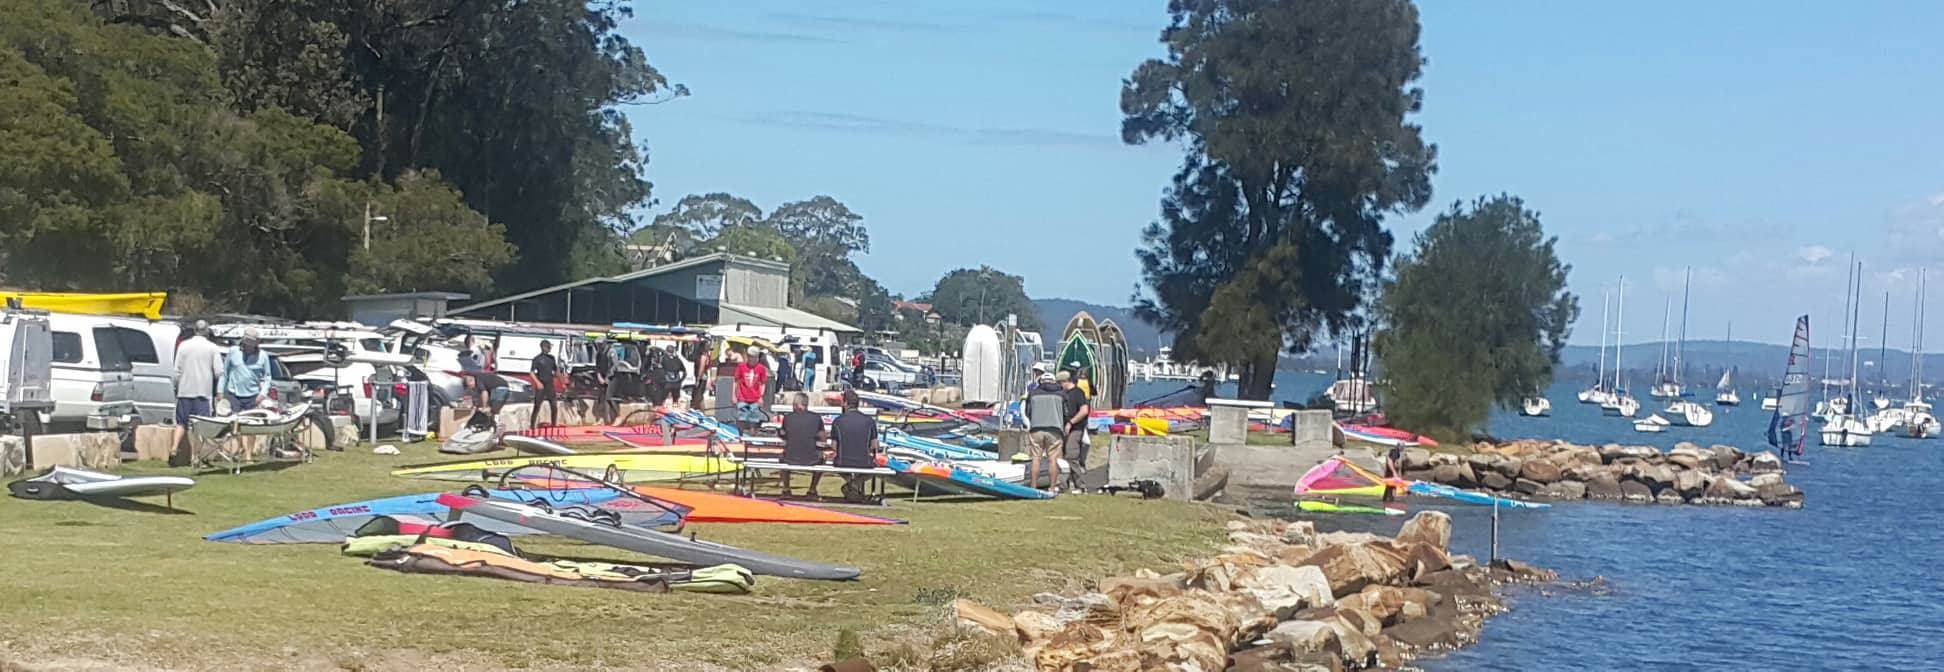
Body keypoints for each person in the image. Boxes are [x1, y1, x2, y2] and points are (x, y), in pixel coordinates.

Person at [170, 322, 224, 467]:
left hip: (184, 391)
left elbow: (176, 371)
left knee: (181, 423)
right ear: (206, 331)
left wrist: (177, 387)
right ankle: (195, 457)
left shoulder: (183, 346)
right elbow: (219, 371)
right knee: (199, 427)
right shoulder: (212, 347)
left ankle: (174, 449)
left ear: (195, 330)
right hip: (203, 393)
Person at [830, 389, 881, 502]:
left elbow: (834, 446)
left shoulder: (838, 421)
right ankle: (856, 484)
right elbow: (874, 446)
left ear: (845, 403)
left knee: (835, 464)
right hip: (864, 462)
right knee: (875, 467)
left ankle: (852, 485)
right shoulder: (869, 421)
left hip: (843, 462)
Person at [777, 392, 828, 497]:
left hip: (790, 458)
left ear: (796, 404)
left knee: (782, 457)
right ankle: (812, 489)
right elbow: (823, 437)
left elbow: (783, 435)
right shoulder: (816, 418)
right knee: (822, 458)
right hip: (812, 458)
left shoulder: (788, 418)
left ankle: (786, 488)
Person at [1024, 372, 1067, 493]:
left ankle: (1033, 487)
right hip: (1055, 429)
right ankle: (1052, 487)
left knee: (1036, 458)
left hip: (1036, 429)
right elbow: (1066, 413)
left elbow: (1028, 412)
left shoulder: (1033, 393)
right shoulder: (1061, 394)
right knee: (1053, 459)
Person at [220, 329, 271, 413]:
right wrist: (220, 391)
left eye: (251, 342)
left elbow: (267, 377)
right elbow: (224, 373)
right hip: (233, 395)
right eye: (247, 342)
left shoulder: (263, 355)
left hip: (253, 396)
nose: (248, 345)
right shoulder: (233, 351)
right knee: (233, 418)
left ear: (256, 343)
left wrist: (262, 394)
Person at [1058, 370, 1092, 491]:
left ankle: (1080, 485)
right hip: (1063, 429)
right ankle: (1063, 484)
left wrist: (1071, 422)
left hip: (1076, 428)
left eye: (1060, 383)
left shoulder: (1078, 393)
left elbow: (1084, 411)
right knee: (1061, 457)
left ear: (1064, 381)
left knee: (1071, 456)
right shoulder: (1062, 394)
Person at [734, 349, 770, 432]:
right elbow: (735, 381)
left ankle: (752, 435)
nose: (754, 359)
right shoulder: (741, 367)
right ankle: (740, 434)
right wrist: (734, 396)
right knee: (742, 418)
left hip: (755, 398)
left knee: (754, 419)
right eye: (751, 357)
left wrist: (761, 397)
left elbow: (762, 383)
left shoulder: (761, 368)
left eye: (756, 357)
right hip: (743, 397)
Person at [530, 340, 560, 428]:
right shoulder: (537, 359)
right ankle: (532, 425)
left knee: (554, 405)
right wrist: (537, 382)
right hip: (541, 384)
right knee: (537, 405)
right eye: (548, 347)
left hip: (549, 384)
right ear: (544, 347)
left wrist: (562, 382)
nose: (550, 349)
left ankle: (554, 424)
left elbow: (556, 371)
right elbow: (531, 372)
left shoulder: (552, 358)